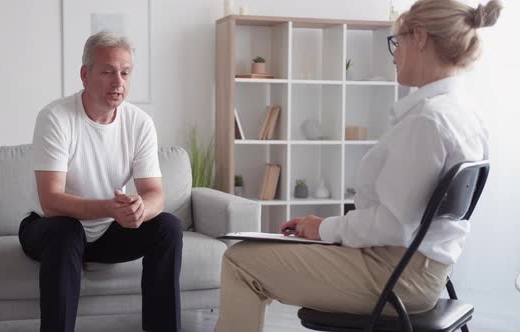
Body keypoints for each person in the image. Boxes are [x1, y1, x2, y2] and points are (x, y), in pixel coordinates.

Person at [215, 0, 502, 331]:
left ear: (420, 38)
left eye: (398, 42)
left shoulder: (428, 121)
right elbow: (402, 219)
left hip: (394, 276)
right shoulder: (464, 113)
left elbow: (393, 226)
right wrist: (324, 226)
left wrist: (324, 230)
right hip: (422, 271)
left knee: (240, 260)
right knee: (255, 254)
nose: (393, 55)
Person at [19, 31, 183, 332]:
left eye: (125, 73)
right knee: (66, 231)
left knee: (168, 226)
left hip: (108, 232)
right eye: (107, 72)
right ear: (85, 74)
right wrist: (110, 208)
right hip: (48, 229)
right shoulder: (56, 117)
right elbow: (51, 201)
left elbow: (155, 194)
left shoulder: (139, 123)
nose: (118, 82)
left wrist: (139, 209)